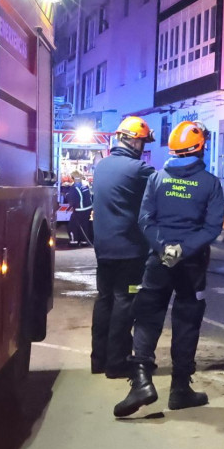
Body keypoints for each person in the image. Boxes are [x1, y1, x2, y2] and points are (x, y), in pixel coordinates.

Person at [114, 121, 224, 418]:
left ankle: (141, 383)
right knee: (187, 321)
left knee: (148, 317)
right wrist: (183, 250)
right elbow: (212, 227)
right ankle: (180, 390)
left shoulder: (158, 178)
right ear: (200, 147)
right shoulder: (210, 183)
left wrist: (163, 247)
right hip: (191, 266)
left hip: (158, 261)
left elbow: (145, 219)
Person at [90, 115, 156, 378]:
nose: (143, 148)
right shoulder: (139, 170)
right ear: (132, 141)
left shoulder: (102, 166)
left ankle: (99, 360)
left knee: (104, 300)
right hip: (129, 251)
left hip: (103, 249)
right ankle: (117, 363)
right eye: (142, 142)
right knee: (125, 301)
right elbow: (163, 185)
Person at [68, 171, 93, 247]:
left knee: (72, 225)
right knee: (85, 225)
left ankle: (74, 242)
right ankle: (84, 241)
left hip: (79, 210)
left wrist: (67, 196)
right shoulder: (85, 186)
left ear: (73, 178)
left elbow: (72, 199)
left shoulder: (74, 188)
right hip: (88, 209)